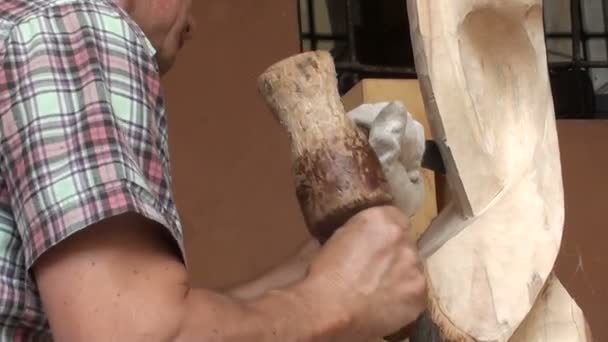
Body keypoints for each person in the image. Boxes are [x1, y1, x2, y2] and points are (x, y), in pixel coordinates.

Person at [0, 0, 427, 340]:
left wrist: (332, 257)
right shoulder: (71, 24)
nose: (193, 24)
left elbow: (166, 320)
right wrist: (339, 300)